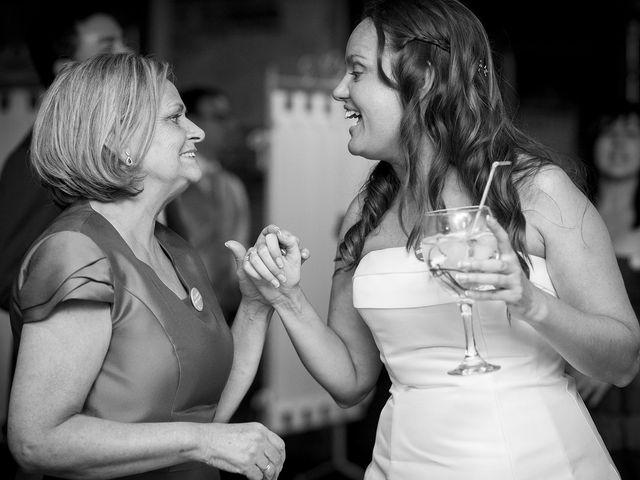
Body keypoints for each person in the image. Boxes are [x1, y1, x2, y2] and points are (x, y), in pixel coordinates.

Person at [239, 0, 640, 478]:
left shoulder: (540, 191)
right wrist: (287, 298)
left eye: (357, 71)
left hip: (529, 461)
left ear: (424, 77)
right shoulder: (364, 215)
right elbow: (351, 380)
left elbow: (622, 361)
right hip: (402, 462)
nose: (339, 90)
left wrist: (529, 300)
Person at [7, 53, 285, 480]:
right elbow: (37, 440)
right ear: (120, 141)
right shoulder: (76, 251)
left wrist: (255, 304)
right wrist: (202, 443)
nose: (198, 132)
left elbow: (207, 413)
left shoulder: (178, 251)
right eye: (176, 118)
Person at [0, 5, 132, 312]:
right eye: (108, 45)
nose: (127, 53)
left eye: (124, 41)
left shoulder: (130, 147)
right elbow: (8, 279)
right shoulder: (38, 160)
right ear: (66, 71)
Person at [569, 101, 640, 479]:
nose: (619, 144)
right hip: (572, 382)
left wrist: (614, 359)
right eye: (609, 133)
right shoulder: (570, 212)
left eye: (631, 134)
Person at [165, 87, 251, 322]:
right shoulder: (168, 181)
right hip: (178, 307)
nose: (229, 125)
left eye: (228, 117)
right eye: (219, 117)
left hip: (225, 311)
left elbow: (239, 243)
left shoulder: (233, 186)